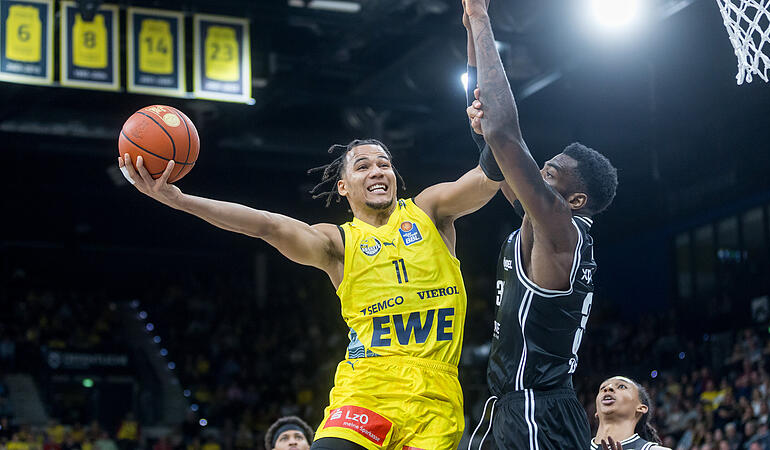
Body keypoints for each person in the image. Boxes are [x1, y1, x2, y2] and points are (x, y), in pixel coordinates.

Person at [119, 126, 503, 447]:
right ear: (343, 188)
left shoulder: (429, 211)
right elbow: (266, 224)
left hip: (435, 391)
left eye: (384, 164)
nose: (377, 171)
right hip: (366, 386)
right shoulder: (336, 243)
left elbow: (489, 178)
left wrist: (490, 134)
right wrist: (180, 200)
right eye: (363, 166)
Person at [462, 0, 618, 447]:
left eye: (548, 176)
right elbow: (495, 150)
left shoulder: (560, 231)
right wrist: (471, 38)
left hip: (538, 411)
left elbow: (505, 135)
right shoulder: (541, 222)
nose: (535, 179)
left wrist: (481, 18)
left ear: (576, 200)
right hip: (513, 406)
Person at [590, 376, 670, 450]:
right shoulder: (579, 445)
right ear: (596, 412)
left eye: (621, 386)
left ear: (641, 408)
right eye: (602, 388)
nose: (608, 388)